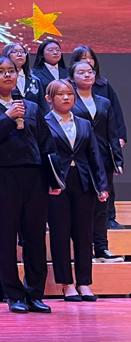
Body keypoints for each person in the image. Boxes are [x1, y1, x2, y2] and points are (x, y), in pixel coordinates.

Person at [0, 56, 59, 314]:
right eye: (1, 71)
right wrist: (8, 118)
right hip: (1, 177)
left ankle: (35, 293)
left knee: (35, 238)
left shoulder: (30, 107)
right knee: (5, 238)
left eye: (11, 70)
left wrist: (52, 179)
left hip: (34, 176)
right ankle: (13, 294)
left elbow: (46, 144)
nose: (8, 75)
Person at [44, 79, 108, 302]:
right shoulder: (43, 123)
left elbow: (94, 155)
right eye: (60, 94)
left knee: (84, 234)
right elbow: (42, 156)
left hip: (83, 182)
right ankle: (66, 284)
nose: (66, 97)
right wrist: (48, 183)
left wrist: (102, 185)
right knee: (60, 234)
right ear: (49, 98)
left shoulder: (84, 123)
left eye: (70, 94)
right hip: (57, 185)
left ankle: (84, 282)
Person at [69, 61, 125, 263]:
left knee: (102, 206)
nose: (87, 75)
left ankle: (102, 248)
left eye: (90, 72)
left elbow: (112, 132)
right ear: (72, 78)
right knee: (82, 206)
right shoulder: (69, 101)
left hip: (103, 159)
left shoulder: (104, 102)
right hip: (80, 160)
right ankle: (82, 250)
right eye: (81, 72)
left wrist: (117, 159)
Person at [2, 42, 48, 116]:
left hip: (33, 120)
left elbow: (43, 107)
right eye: (15, 52)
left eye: (22, 52)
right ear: (6, 55)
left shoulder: (35, 80)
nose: (19, 54)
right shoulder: (2, 80)